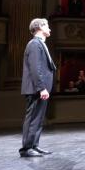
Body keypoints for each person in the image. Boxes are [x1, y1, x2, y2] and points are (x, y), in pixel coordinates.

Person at [19, 18, 56, 157]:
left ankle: (34, 145)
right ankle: (27, 148)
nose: (50, 29)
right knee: (33, 117)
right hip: (36, 89)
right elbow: (36, 68)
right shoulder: (34, 44)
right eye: (47, 26)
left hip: (40, 88)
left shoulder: (40, 43)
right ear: (40, 27)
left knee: (39, 118)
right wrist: (41, 88)